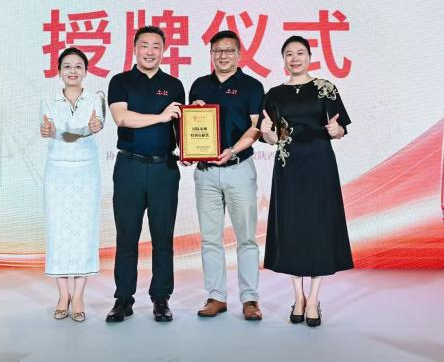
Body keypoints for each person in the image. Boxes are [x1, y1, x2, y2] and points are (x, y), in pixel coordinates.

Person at [257, 35, 353, 327]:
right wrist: (266, 132)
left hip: (319, 165)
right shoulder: (274, 94)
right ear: (283, 59)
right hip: (288, 168)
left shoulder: (325, 88)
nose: (295, 58)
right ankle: (298, 297)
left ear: (309, 57)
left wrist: (336, 130)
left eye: (300, 53)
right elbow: (271, 137)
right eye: (289, 54)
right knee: (293, 228)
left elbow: (340, 129)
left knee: (318, 227)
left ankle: (313, 299)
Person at [106, 26, 185, 323]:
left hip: (165, 168)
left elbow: (180, 126)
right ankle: (123, 298)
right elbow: (122, 118)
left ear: (163, 50)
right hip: (130, 167)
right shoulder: (120, 81)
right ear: (135, 48)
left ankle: (161, 298)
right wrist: (161, 116)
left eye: (156, 46)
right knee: (127, 235)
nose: (150, 51)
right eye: (144, 45)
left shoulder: (174, 85)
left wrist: (192, 149)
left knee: (163, 237)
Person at [187, 30, 265, 320]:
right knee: (210, 238)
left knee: (246, 238)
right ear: (211, 54)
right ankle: (216, 296)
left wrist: (232, 151)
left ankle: (250, 299)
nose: (223, 56)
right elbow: (191, 126)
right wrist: (189, 150)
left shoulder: (252, 86)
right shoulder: (199, 85)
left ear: (239, 54)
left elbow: (256, 128)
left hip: (238, 169)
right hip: (206, 172)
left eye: (229, 50)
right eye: (217, 51)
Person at [40, 47, 105, 323]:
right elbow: (47, 129)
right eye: (67, 66)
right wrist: (47, 131)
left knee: (83, 233)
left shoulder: (96, 99)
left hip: (86, 173)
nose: (73, 71)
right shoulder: (48, 100)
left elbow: (97, 124)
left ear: (86, 71)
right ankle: (62, 295)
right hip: (57, 172)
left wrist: (95, 126)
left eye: (78, 66)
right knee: (58, 232)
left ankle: (78, 296)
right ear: (59, 72)